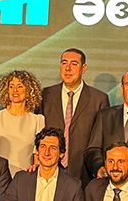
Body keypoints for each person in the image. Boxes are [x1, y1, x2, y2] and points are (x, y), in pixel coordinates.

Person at [40, 48, 109, 182]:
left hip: (84, 173)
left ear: (83, 68)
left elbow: (100, 140)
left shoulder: (99, 99)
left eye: (74, 64)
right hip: (49, 172)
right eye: (64, 63)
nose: (68, 68)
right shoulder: (45, 95)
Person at [0, 69, 46, 170]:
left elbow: (37, 155)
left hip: (25, 176)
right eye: (11, 86)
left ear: (29, 90)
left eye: (20, 86)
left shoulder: (38, 120)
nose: (15, 90)